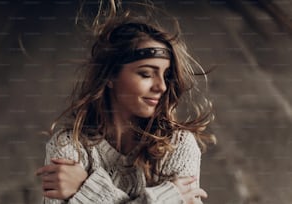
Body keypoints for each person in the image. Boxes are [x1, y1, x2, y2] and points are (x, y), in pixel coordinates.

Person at [36, 1, 216, 203]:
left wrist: (87, 188)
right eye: (146, 74)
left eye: (165, 76)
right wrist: (163, 198)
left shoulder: (179, 145)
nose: (162, 86)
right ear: (110, 76)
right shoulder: (69, 146)